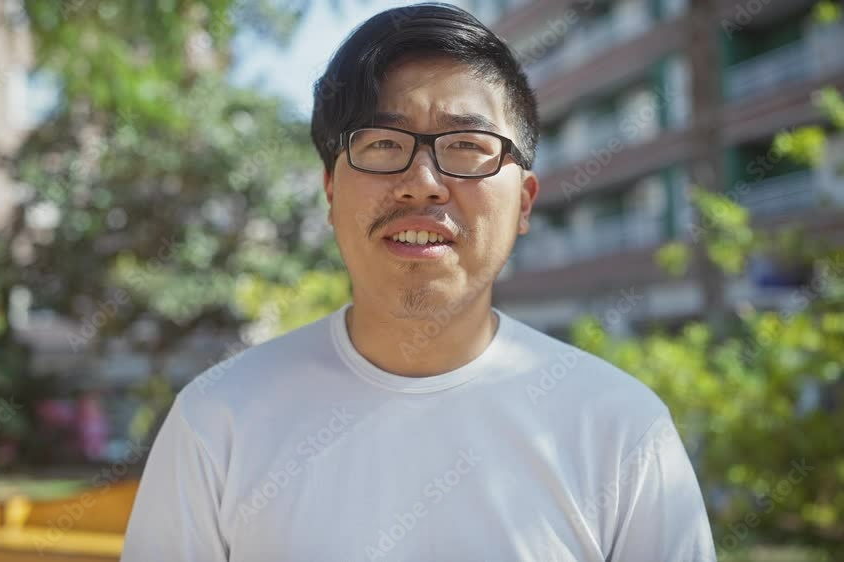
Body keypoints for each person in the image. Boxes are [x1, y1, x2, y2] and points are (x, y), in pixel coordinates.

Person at [122, 3, 717, 561]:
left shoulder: (622, 431)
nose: (423, 184)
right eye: (383, 144)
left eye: (467, 145)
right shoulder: (217, 422)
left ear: (525, 201)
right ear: (330, 191)